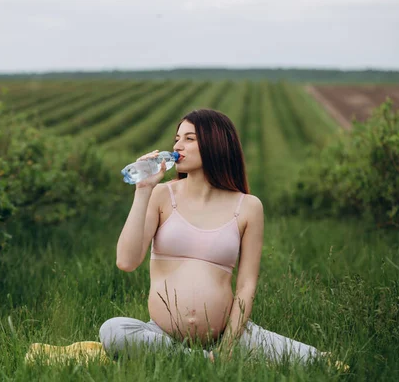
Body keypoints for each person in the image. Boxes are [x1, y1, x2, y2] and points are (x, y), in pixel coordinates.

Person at [98, 109, 326, 364]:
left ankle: (202, 359)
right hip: (162, 335)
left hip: (229, 337)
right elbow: (126, 262)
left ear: (215, 143)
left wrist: (228, 347)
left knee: (316, 362)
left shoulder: (248, 206)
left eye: (189, 139)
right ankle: (203, 362)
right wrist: (143, 190)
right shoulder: (162, 195)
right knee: (113, 331)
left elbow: (246, 285)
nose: (177, 145)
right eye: (177, 138)